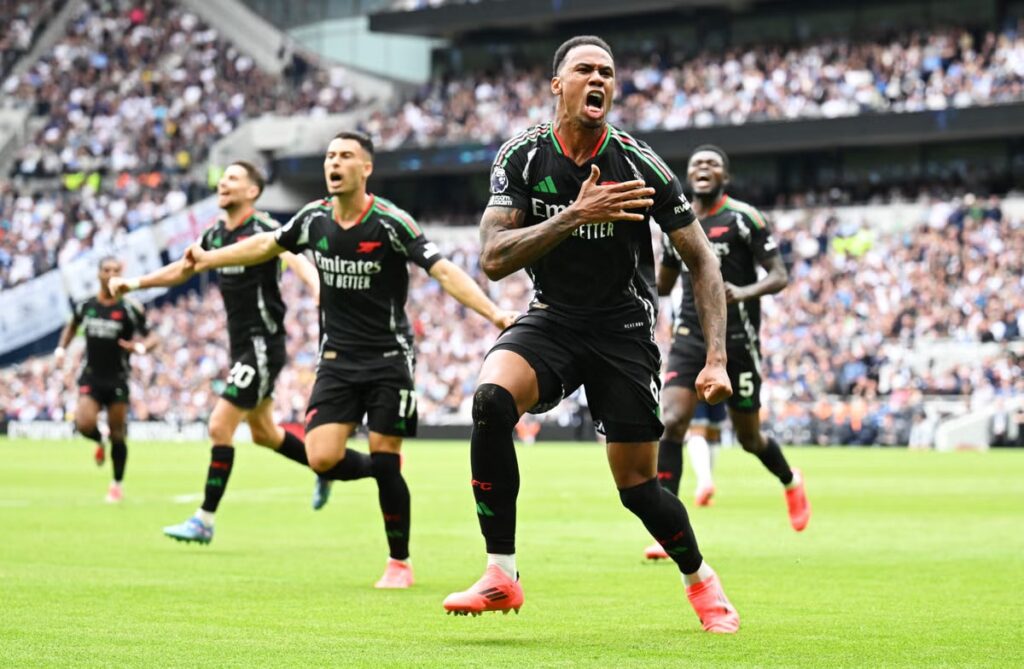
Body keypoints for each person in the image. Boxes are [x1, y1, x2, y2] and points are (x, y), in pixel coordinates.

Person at [441, 36, 740, 633]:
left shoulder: (638, 161)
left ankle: (700, 580)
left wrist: (715, 358)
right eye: (584, 69)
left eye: (607, 71)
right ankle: (501, 572)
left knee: (636, 487)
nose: (598, 79)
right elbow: (494, 257)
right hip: (552, 317)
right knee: (490, 400)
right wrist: (575, 214)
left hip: (623, 331)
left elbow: (702, 260)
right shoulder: (522, 157)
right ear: (559, 84)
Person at [183, 131, 516, 589]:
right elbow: (266, 246)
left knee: (386, 454)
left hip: (388, 359)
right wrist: (209, 258)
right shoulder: (312, 219)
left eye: (345, 156)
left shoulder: (390, 222)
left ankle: (399, 561)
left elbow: (442, 270)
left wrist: (495, 311)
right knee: (321, 457)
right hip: (336, 360)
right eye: (329, 156)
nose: (333, 162)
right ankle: (365, 476)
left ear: (366, 169)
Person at [109, 161, 321, 544]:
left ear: (252, 191)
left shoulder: (265, 229)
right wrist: (134, 283)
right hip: (240, 345)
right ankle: (324, 464)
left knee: (219, 425)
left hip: (262, 343)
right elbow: (183, 269)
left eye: (233, 179)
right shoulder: (215, 234)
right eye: (222, 179)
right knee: (265, 434)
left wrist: (319, 291)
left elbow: (296, 258)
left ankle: (204, 519)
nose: (223, 183)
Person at [650, 145, 810, 563]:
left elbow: (779, 275)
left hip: (738, 339)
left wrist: (744, 292)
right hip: (689, 335)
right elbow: (662, 286)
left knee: (749, 438)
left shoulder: (744, 218)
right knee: (671, 421)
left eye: (712, 164)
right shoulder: (676, 222)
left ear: (726, 176)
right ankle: (669, 530)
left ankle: (791, 480)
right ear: (688, 176)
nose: (703, 169)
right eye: (696, 164)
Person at [55, 256, 157, 502]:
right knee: (84, 424)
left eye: (116, 270)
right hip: (91, 377)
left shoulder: (130, 308)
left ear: (121, 273)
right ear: (99, 274)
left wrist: (140, 348)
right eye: (106, 270)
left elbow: (153, 337)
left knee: (118, 434)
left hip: (117, 379)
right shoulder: (86, 306)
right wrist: (61, 349)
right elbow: (71, 326)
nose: (111, 273)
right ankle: (98, 441)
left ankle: (116, 484)